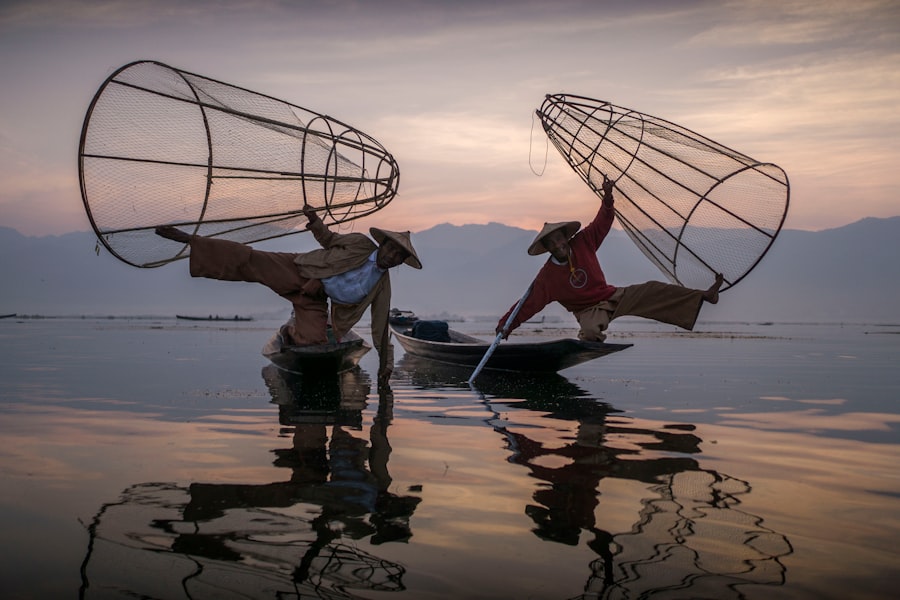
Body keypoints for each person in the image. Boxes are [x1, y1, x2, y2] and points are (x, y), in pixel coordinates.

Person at [156, 205, 422, 388]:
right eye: (391, 250)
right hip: (301, 270)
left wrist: (386, 367)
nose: (392, 257)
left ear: (401, 262)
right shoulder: (360, 243)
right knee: (251, 261)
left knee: (314, 343)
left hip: (315, 300)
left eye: (399, 257)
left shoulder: (381, 286)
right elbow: (328, 239)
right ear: (383, 244)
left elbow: (380, 326)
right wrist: (315, 220)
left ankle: (290, 330)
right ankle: (192, 241)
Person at [496, 176, 723, 342]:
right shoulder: (547, 278)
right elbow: (528, 304)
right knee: (590, 332)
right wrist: (505, 326)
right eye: (551, 244)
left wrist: (607, 198)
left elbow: (602, 223)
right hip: (588, 311)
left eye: (559, 239)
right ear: (547, 249)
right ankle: (587, 345)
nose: (558, 245)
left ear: (566, 237)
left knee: (653, 290)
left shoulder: (583, 242)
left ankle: (704, 296)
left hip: (613, 295)